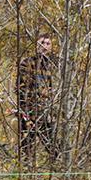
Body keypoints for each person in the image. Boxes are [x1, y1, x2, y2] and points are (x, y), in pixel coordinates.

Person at [17, 32, 60, 161]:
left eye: (48, 44)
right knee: (27, 146)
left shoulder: (52, 66)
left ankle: (57, 168)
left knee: (51, 144)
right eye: (42, 43)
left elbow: (53, 89)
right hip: (29, 111)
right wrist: (26, 111)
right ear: (36, 45)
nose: (45, 46)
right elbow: (21, 88)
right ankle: (24, 172)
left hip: (46, 111)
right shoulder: (27, 63)